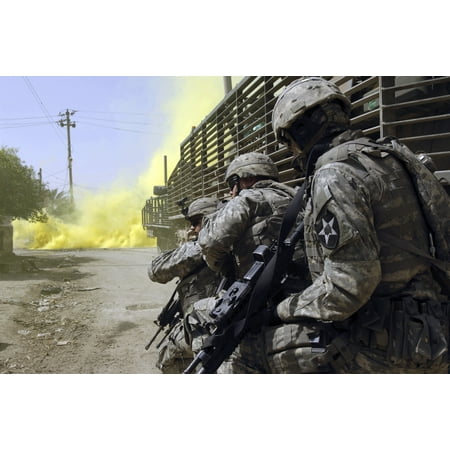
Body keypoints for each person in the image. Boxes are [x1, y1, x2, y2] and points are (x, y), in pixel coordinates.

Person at [270, 76, 450, 373]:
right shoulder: (396, 157)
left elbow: (348, 288)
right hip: (435, 334)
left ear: (303, 130)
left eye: (288, 141)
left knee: (248, 350)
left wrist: (283, 309)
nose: (292, 152)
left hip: (383, 348)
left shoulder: (334, 175)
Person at [197, 152, 301, 373]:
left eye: (232, 184)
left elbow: (210, 244)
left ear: (243, 179)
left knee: (197, 318)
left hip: (257, 303)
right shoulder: (300, 197)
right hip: (298, 299)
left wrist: (224, 268)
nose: (231, 191)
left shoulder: (248, 199)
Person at [147, 197, 223, 373]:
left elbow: (155, 270)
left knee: (168, 358)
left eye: (196, 222)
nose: (192, 228)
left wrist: (188, 246)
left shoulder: (201, 248)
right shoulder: (240, 241)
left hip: (207, 327)